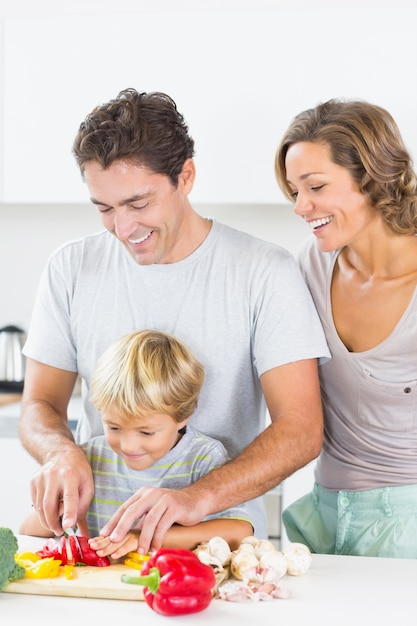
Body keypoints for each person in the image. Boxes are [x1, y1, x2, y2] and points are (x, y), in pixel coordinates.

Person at [19, 87, 330, 554]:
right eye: (105, 208)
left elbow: (301, 429)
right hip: (100, 553)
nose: (123, 229)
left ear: (185, 177)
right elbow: (38, 406)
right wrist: (62, 454)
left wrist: (194, 500)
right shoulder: (71, 268)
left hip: (205, 551)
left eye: (138, 203)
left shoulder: (263, 271)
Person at [275, 98, 417, 558]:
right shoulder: (310, 264)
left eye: (315, 186)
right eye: (295, 190)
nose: (301, 206)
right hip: (321, 519)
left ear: (373, 178)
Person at [20, 329, 254, 554]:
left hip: (171, 588)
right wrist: (57, 509)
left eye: (146, 432)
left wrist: (138, 538)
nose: (128, 445)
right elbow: (26, 533)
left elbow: (239, 532)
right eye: (114, 427)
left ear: (182, 416)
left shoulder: (204, 457)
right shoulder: (88, 459)